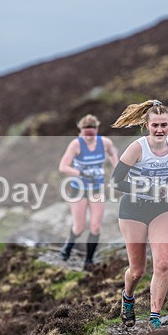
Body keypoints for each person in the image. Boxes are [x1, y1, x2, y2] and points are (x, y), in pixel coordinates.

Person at [110, 100, 168, 331]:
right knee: (137, 270)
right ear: (146, 125)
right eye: (155, 125)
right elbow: (116, 181)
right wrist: (146, 190)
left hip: (161, 209)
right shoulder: (137, 148)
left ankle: (155, 317)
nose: (160, 130)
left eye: (164, 125)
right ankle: (128, 297)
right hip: (133, 210)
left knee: (162, 264)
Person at [58, 114, 119, 270]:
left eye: (92, 134)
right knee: (79, 227)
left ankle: (88, 260)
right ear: (81, 131)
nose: (89, 138)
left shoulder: (105, 142)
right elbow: (63, 167)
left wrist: (118, 168)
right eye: (86, 135)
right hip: (78, 188)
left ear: (96, 130)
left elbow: (113, 154)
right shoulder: (76, 145)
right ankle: (68, 246)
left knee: (95, 226)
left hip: (97, 188)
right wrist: (80, 173)